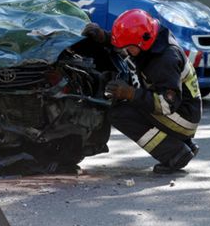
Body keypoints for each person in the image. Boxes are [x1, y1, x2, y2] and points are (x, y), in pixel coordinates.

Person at [82, 9, 202, 174]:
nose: (126, 51)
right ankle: (182, 144)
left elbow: (167, 105)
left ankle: (175, 153)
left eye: (129, 48)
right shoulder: (152, 39)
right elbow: (127, 43)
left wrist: (130, 94)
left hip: (183, 117)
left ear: (142, 42)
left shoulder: (164, 60)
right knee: (129, 102)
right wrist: (104, 37)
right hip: (184, 110)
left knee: (119, 113)